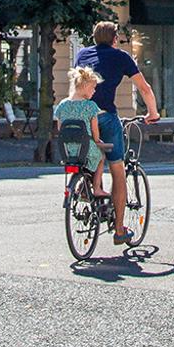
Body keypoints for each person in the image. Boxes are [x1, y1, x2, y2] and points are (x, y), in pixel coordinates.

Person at [72, 21, 161, 245]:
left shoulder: (82, 54)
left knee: (92, 151)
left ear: (94, 38)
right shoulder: (121, 57)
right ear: (115, 39)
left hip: (79, 115)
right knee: (118, 169)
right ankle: (120, 230)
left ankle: (87, 183)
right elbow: (144, 88)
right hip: (105, 116)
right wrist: (152, 112)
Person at [52, 66, 124, 236]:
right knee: (100, 155)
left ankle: (80, 187)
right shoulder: (91, 107)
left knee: (78, 160)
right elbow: (94, 131)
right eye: (92, 88)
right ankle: (97, 187)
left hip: (68, 149)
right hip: (87, 146)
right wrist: (99, 142)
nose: (94, 91)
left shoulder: (62, 105)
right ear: (84, 87)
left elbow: (60, 128)